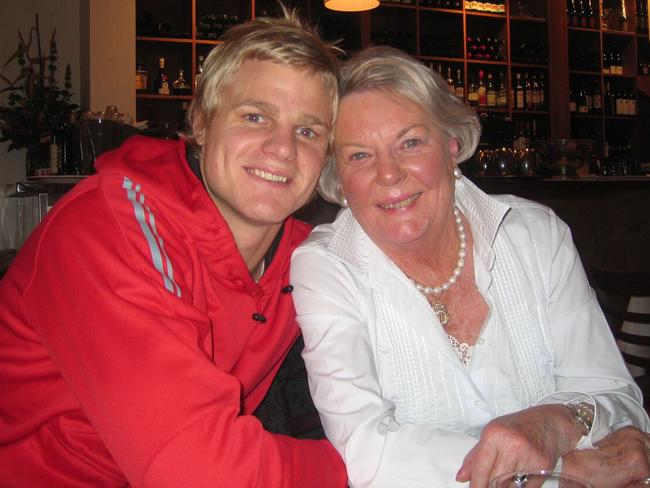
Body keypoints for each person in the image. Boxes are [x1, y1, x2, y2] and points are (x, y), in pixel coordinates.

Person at [0, 10, 348, 487]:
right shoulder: (106, 228)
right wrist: (375, 469)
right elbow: (198, 471)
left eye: (308, 131)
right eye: (255, 116)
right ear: (201, 123)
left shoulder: (307, 259)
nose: (283, 148)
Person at [290, 45, 650, 488]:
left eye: (410, 142)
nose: (389, 173)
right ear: (338, 178)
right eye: (359, 155)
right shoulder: (327, 266)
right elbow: (369, 452)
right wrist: (560, 468)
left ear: (451, 145)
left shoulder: (536, 236)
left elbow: (616, 395)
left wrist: (552, 422)